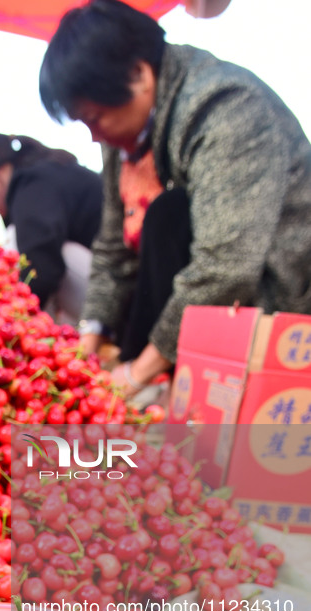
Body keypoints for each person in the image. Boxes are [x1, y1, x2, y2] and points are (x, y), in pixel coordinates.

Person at [39, 0, 311, 397]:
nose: (94, 137)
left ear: (139, 74)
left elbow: (227, 267)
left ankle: (160, 380)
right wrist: (86, 347)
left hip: (280, 305)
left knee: (168, 214)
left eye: (95, 119)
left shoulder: (225, 106)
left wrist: (135, 375)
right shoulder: (125, 131)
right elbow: (113, 248)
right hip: (209, 308)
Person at [0, 128, 102, 321]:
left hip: (122, 291)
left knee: (32, 257)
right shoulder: (35, 174)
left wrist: (10, 323)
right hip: (108, 278)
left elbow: (43, 270)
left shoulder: (33, 187)